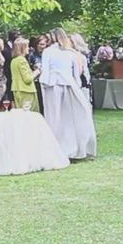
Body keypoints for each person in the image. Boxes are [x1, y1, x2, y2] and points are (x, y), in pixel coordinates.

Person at [40, 28, 96, 159]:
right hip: (70, 85)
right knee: (71, 118)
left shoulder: (48, 52)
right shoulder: (70, 53)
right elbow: (76, 74)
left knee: (54, 118)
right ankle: (75, 147)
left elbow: (45, 72)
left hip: (53, 86)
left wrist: (44, 83)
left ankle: (57, 148)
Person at [10, 38, 39, 111]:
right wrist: (37, 71)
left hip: (17, 89)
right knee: (30, 115)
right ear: (22, 48)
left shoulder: (14, 60)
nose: (29, 48)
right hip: (26, 91)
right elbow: (27, 79)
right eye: (27, 46)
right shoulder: (22, 60)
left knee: (21, 113)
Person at [28, 35, 49, 115]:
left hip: (48, 82)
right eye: (39, 44)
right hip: (37, 81)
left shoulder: (49, 54)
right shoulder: (32, 55)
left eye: (43, 44)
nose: (40, 46)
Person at [70, 33, 92, 103]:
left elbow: (80, 71)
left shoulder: (78, 55)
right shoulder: (84, 54)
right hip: (84, 81)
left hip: (81, 81)